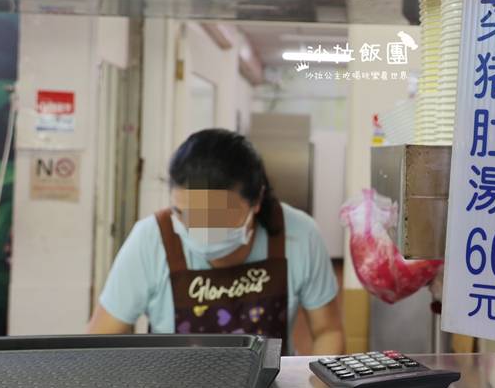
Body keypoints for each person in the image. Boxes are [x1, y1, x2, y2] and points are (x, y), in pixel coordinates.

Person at [88, 128, 344, 355]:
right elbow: (100, 341)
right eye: (183, 214)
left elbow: (327, 331)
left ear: (256, 201)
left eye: (216, 217)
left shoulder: (299, 234)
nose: (199, 230)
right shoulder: (150, 239)